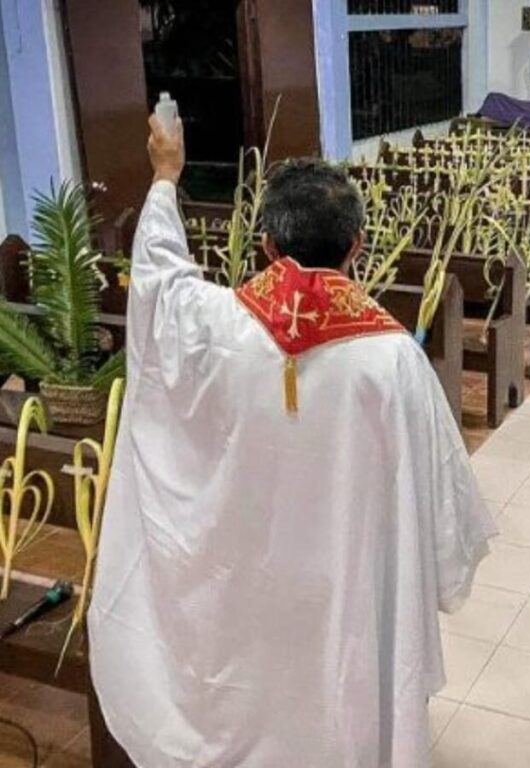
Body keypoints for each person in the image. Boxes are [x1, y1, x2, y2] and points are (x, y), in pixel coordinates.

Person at [88, 114, 497, 767]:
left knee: (252, 686)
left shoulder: (209, 329)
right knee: (338, 699)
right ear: (357, 245)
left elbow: (159, 282)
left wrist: (165, 179)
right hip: (345, 590)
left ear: (268, 246)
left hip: (238, 588)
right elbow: (439, 493)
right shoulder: (392, 357)